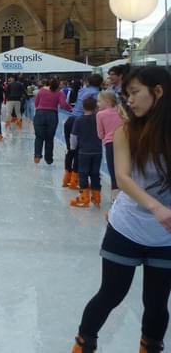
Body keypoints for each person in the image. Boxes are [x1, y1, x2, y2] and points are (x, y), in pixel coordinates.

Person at [71, 67, 171, 353]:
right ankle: (82, 344)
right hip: (128, 227)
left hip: (165, 236)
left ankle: (150, 346)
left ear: (158, 91)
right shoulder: (125, 132)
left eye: (135, 93)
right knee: (111, 293)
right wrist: (157, 208)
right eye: (126, 95)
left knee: (156, 302)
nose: (129, 101)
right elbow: (124, 178)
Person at [63, 74, 103, 189]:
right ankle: (75, 179)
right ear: (100, 83)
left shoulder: (82, 90)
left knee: (71, 149)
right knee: (79, 152)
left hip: (71, 120)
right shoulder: (97, 94)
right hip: (84, 121)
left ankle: (67, 177)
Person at [69, 97, 103, 208]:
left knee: (83, 173)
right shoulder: (98, 119)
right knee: (95, 173)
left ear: (83, 107)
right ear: (96, 107)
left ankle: (84, 197)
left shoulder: (79, 120)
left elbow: (74, 136)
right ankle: (97, 197)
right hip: (97, 151)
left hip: (84, 152)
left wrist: (73, 148)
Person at [33, 79, 72, 165]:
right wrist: (71, 109)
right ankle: (49, 158)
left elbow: (36, 103)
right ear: (58, 86)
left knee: (39, 137)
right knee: (49, 138)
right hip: (52, 115)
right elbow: (63, 104)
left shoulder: (41, 91)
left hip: (40, 114)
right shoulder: (59, 93)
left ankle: (37, 155)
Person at [96, 91, 124, 202]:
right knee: (124, 169)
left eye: (99, 101)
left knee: (113, 170)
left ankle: (115, 196)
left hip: (110, 144)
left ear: (107, 101)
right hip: (124, 143)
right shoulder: (120, 110)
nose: (97, 104)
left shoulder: (100, 114)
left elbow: (100, 134)